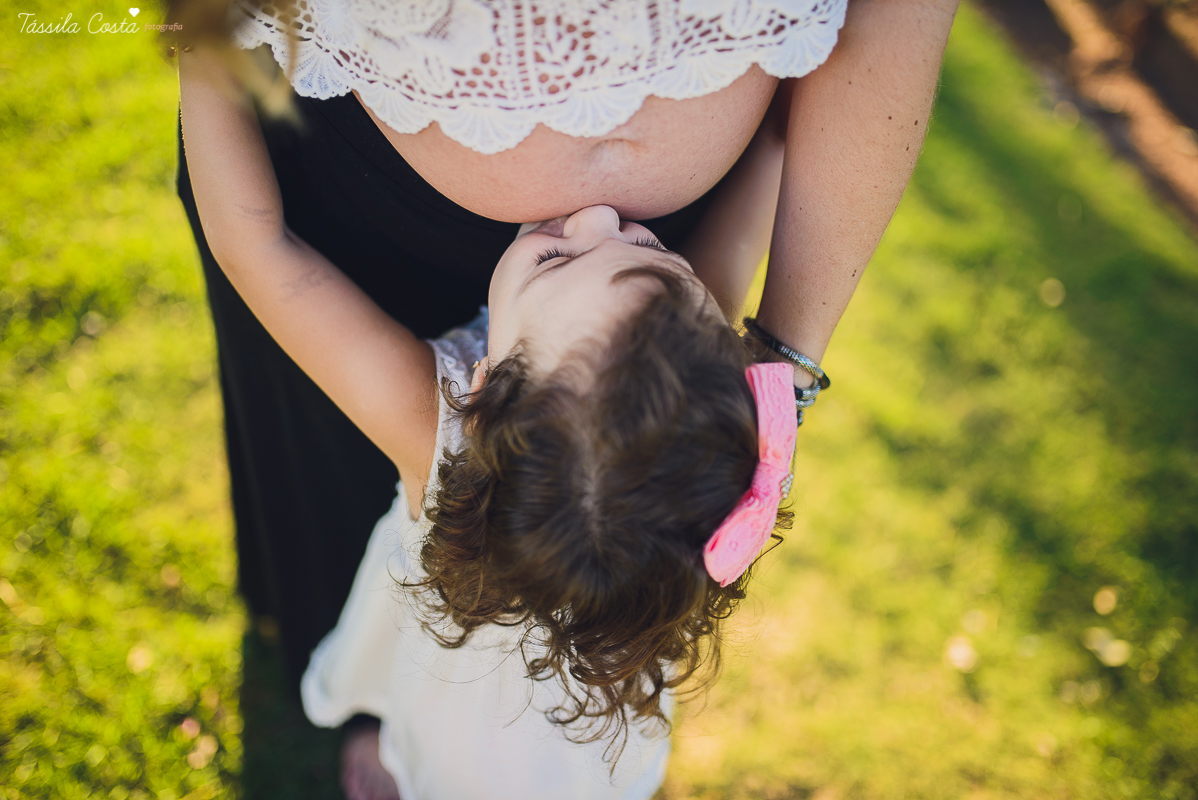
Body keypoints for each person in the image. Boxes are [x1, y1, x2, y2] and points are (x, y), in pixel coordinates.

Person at [170, 0, 959, 794]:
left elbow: (259, 249)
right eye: (650, 249)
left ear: (482, 391)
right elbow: (769, 165)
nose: (598, 217)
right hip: (597, 731)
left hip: (464, 718)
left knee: (436, 745)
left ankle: (394, 755)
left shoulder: (435, 432)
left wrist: (203, 53)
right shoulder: (677, 364)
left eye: (554, 261)